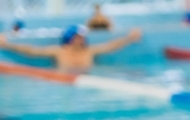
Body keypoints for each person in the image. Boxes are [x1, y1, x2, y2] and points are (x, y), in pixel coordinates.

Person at [0, 25, 141, 72]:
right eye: (78, 37)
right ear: (70, 38)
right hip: (65, 84)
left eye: (82, 37)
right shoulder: (59, 51)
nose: (81, 40)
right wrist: (7, 44)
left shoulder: (89, 50)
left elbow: (110, 47)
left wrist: (129, 38)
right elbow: (32, 51)